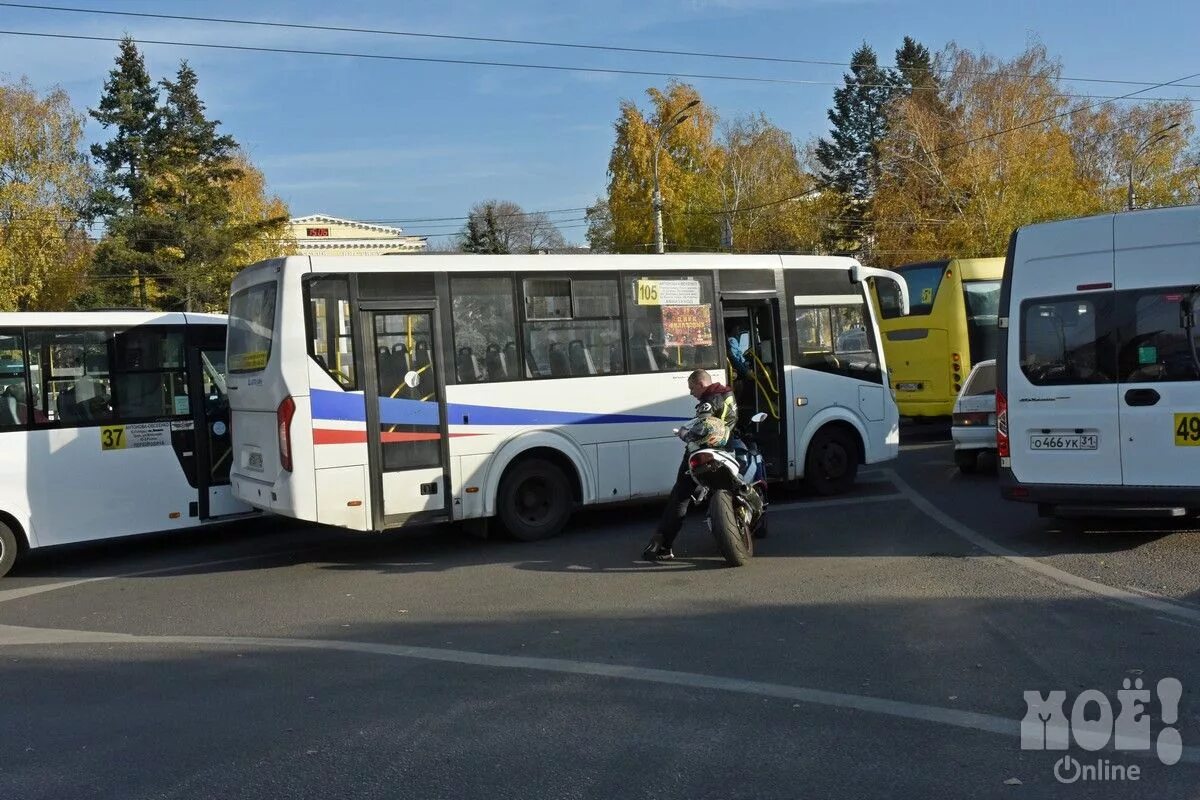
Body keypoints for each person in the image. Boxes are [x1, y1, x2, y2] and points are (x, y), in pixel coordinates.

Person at [642, 368, 738, 562]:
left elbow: (703, 428)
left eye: (692, 387)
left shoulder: (710, 401)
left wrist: (684, 433)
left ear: (701, 384)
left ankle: (664, 546)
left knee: (680, 496)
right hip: (727, 448)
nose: (691, 393)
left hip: (705, 451)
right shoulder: (727, 393)